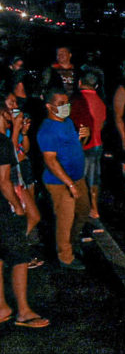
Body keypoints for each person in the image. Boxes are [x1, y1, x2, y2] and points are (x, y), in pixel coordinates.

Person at [0, 105, 49, 329]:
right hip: (6, 206)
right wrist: (16, 205)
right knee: (19, 258)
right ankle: (23, 311)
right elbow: (4, 180)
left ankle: (2, 307)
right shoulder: (2, 142)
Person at [37, 89, 91, 270]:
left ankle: (73, 244)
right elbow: (50, 161)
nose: (65, 107)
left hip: (77, 178)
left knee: (82, 212)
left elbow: (74, 148)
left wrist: (83, 138)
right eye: (60, 104)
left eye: (66, 103)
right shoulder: (47, 130)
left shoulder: (67, 122)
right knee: (65, 219)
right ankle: (66, 257)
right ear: (48, 106)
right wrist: (69, 183)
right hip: (60, 183)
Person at [70, 72, 107, 221]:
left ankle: (81, 209)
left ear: (79, 82)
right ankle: (94, 208)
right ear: (96, 86)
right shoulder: (100, 102)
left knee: (80, 178)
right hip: (97, 143)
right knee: (94, 178)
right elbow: (102, 123)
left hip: (83, 145)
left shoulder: (77, 100)